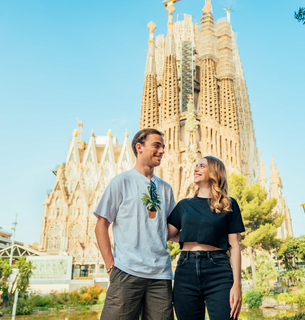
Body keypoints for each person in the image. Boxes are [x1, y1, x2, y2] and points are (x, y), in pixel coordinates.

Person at [94, 128, 176, 320]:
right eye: (156, 145)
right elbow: (101, 225)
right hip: (126, 272)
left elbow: (170, 232)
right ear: (139, 147)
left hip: (160, 276)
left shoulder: (166, 189)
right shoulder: (121, 182)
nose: (162, 150)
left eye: (163, 146)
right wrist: (110, 266)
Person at [168, 156, 245, 320]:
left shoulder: (229, 204)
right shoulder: (184, 205)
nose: (196, 169)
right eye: (196, 166)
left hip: (219, 271)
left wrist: (237, 284)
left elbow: (234, 246)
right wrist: (190, 238)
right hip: (185, 270)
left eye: (201, 166)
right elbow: (168, 234)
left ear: (214, 173)